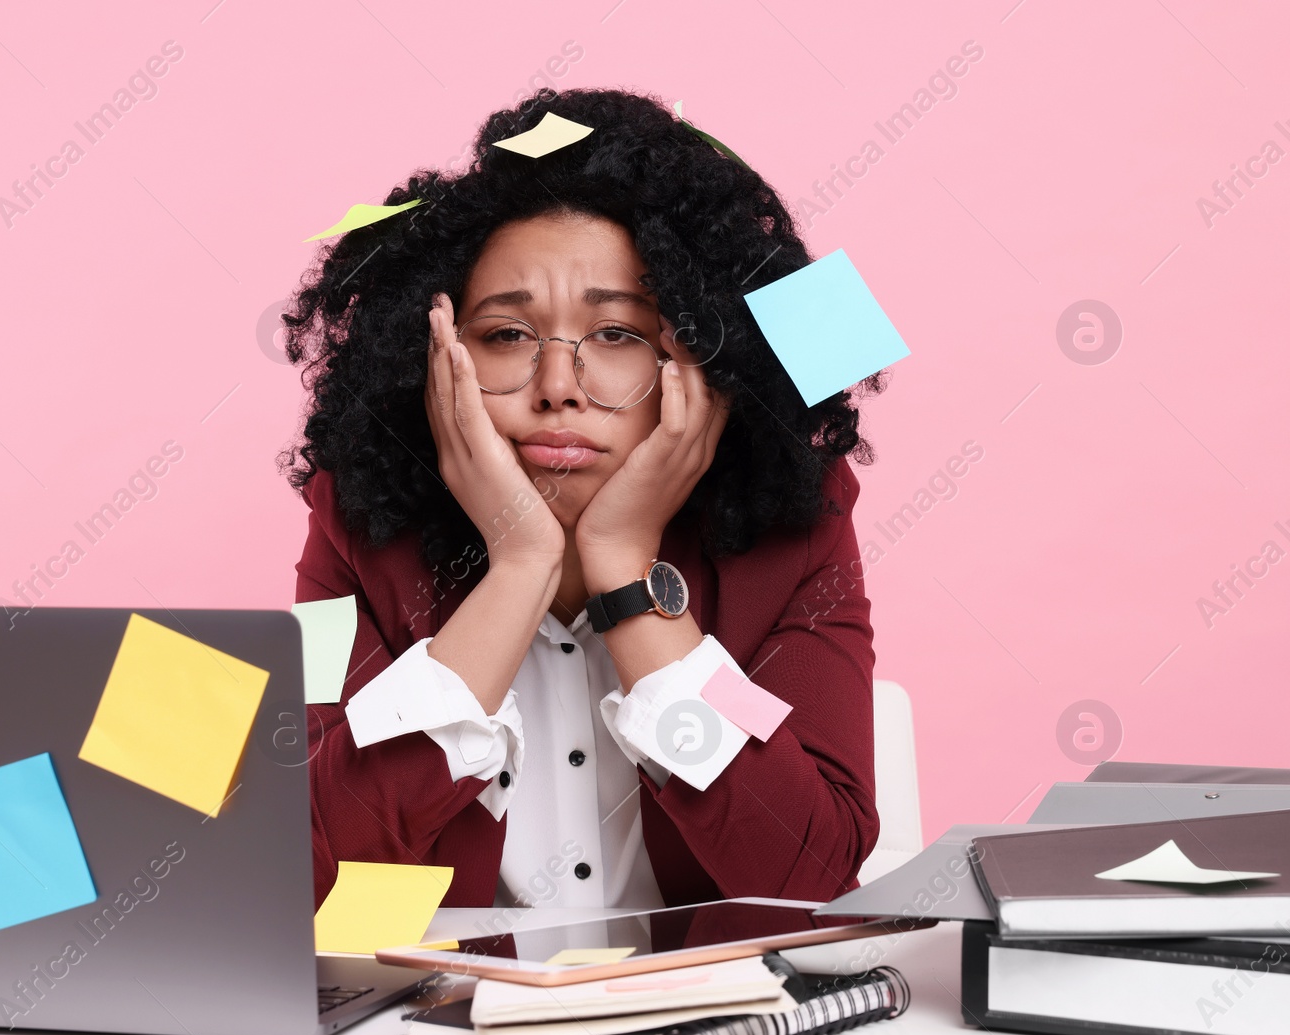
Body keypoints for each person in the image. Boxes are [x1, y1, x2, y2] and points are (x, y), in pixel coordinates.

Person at [278, 88, 885, 911]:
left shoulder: (800, 531)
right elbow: (305, 870)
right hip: (455, 1033)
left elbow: (814, 874)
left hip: (699, 1030)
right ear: (436, 362)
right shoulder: (354, 529)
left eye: (617, 336)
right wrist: (519, 563)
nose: (558, 387)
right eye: (505, 336)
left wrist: (627, 572)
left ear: (701, 361)